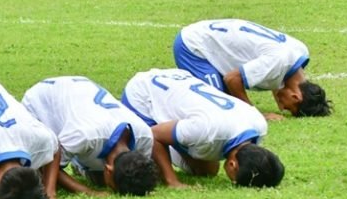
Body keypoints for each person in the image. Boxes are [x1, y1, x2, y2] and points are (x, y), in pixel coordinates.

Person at [121, 69, 284, 189]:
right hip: (143, 94)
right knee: (147, 158)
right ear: (233, 164)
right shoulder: (207, 131)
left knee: (207, 171)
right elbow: (154, 134)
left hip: (178, 79)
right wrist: (172, 180)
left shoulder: (260, 125)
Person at [22, 76, 157, 197]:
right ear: (108, 170)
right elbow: (49, 162)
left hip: (81, 92)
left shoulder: (145, 136)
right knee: (39, 171)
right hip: (41, 99)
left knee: (98, 179)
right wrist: (88, 192)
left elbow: (141, 172)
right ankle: (77, 161)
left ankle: (78, 163)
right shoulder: (85, 135)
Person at [173, 19, 332, 120]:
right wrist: (256, 115)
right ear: (295, 96)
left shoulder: (300, 52)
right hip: (194, 45)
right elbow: (232, 79)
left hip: (210, 32)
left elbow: (278, 72)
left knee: (230, 102)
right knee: (219, 107)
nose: (282, 107)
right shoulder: (276, 62)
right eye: (289, 108)